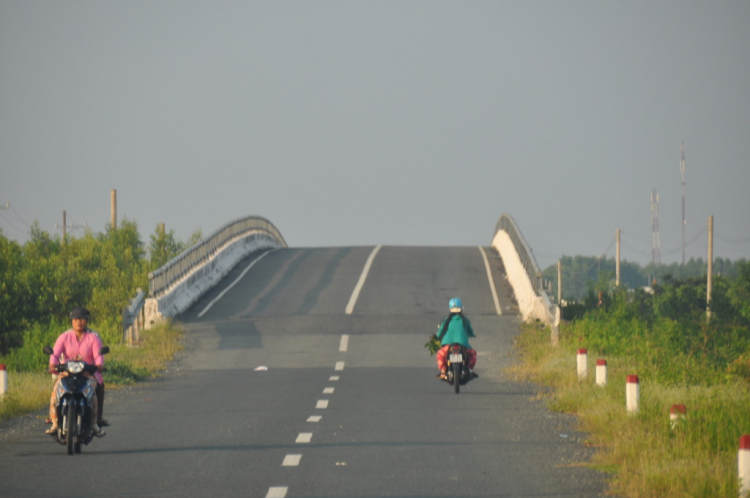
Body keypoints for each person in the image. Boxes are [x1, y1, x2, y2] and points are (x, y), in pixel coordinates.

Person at [46, 307, 106, 435]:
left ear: (87, 321)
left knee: (93, 395)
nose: (79, 322)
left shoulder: (93, 337)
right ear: (71, 321)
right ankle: (55, 422)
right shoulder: (64, 337)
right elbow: (55, 353)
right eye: (76, 319)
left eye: (82, 319)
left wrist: (99, 365)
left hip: (87, 374)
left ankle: (95, 423)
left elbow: (98, 355)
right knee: (55, 393)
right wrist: (52, 364)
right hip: (67, 374)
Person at [435, 297, 478, 380]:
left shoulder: (446, 320)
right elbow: (470, 330)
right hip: (463, 345)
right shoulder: (465, 320)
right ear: (461, 307)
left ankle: (443, 372)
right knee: (473, 353)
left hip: (448, 346)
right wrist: (472, 334)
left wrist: (437, 336)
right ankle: (469, 369)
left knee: (440, 354)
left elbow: (440, 332)